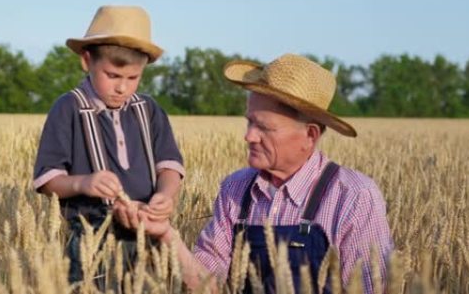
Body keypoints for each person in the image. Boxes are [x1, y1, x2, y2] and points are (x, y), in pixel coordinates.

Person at [131, 53, 393, 294]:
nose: (249, 136)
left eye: (264, 127)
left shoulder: (354, 196)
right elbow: (208, 285)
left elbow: (372, 288)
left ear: (309, 135)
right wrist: (166, 234)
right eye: (249, 122)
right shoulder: (236, 189)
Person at [32, 5, 185, 283]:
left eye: (132, 78)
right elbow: (47, 179)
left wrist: (166, 196)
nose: (122, 88)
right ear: (87, 61)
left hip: (147, 233)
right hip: (89, 239)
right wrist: (83, 183)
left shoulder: (149, 109)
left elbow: (169, 167)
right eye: (113, 76)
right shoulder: (68, 108)